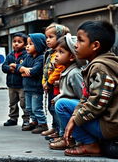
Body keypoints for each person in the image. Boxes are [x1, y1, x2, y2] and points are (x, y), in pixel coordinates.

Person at [56, 21, 118, 157]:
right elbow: (86, 97)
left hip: (110, 126)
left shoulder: (101, 67)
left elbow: (98, 103)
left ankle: (90, 144)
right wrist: (75, 115)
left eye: (80, 40)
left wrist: (75, 119)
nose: (75, 45)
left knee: (61, 106)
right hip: (109, 124)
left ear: (95, 45)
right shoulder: (100, 64)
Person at [48, 34, 83, 150]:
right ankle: (65, 136)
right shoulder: (66, 71)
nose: (56, 55)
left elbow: (82, 97)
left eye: (61, 52)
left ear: (72, 56)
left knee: (61, 106)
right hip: (71, 106)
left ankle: (70, 138)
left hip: (78, 110)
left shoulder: (75, 73)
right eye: (56, 51)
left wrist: (60, 99)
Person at [41, 23, 70, 138]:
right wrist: (44, 82)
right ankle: (55, 127)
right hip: (50, 85)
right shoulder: (50, 52)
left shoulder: (61, 54)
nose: (47, 40)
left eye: (51, 37)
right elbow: (46, 69)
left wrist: (49, 82)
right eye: (46, 37)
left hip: (58, 86)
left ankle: (60, 131)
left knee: (56, 108)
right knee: (50, 107)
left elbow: (58, 69)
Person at [17, 33, 48, 134]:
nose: (27, 46)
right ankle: (34, 122)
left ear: (38, 45)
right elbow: (19, 68)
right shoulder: (28, 57)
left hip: (36, 89)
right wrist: (24, 69)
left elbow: (34, 72)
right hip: (27, 88)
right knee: (29, 108)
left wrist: (24, 72)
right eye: (27, 44)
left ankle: (42, 124)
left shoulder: (41, 58)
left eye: (31, 44)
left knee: (36, 108)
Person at [2, 33, 30, 127]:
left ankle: (26, 120)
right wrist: (11, 69)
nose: (16, 44)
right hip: (11, 84)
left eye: (19, 42)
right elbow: (4, 67)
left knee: (24, 103)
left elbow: (25, 68)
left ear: (25, 44)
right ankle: (13, 118)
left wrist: (16, 68)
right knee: (12, 103)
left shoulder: (26, 56)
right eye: (14, 41)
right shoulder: (10, 55)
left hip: (22, 85)